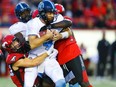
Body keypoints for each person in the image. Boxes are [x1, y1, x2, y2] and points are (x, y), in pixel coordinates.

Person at [25, 0, 72, 87]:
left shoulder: (55, 20)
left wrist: (60, 35)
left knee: (61, 83)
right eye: (49, 13)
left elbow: (69, 29)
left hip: (49, 58)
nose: (52, 15)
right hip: (34, 58)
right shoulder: (33, 23)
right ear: (42, 13)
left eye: (53, 13)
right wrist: (46, 36)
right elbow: (32, 44)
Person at [53, 3, 92, 87]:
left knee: (79, 82)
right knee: (72, 83)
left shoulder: (63, 21)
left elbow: (68, 27)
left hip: (69, 54)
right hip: (62, 57)